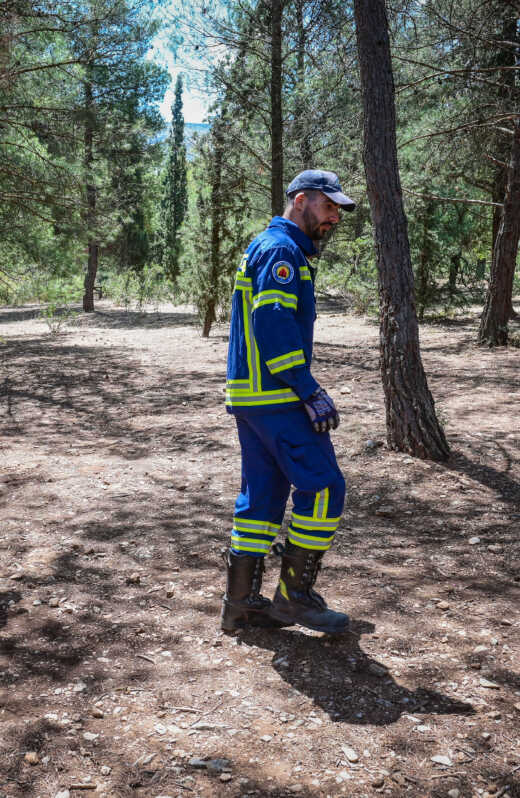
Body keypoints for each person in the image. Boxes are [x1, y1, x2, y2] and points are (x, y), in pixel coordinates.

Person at [220, 169, 356, 636]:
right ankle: (293, 598)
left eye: (338, 209)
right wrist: (308, 390)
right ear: (299, 200)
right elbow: (274, 327)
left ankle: (241, 605)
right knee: (323, 489)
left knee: (263, 496)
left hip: (250, 396)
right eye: (328, 205)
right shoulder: (281, 251)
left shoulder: (273, 247)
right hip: (276, 397)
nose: (334, 217)